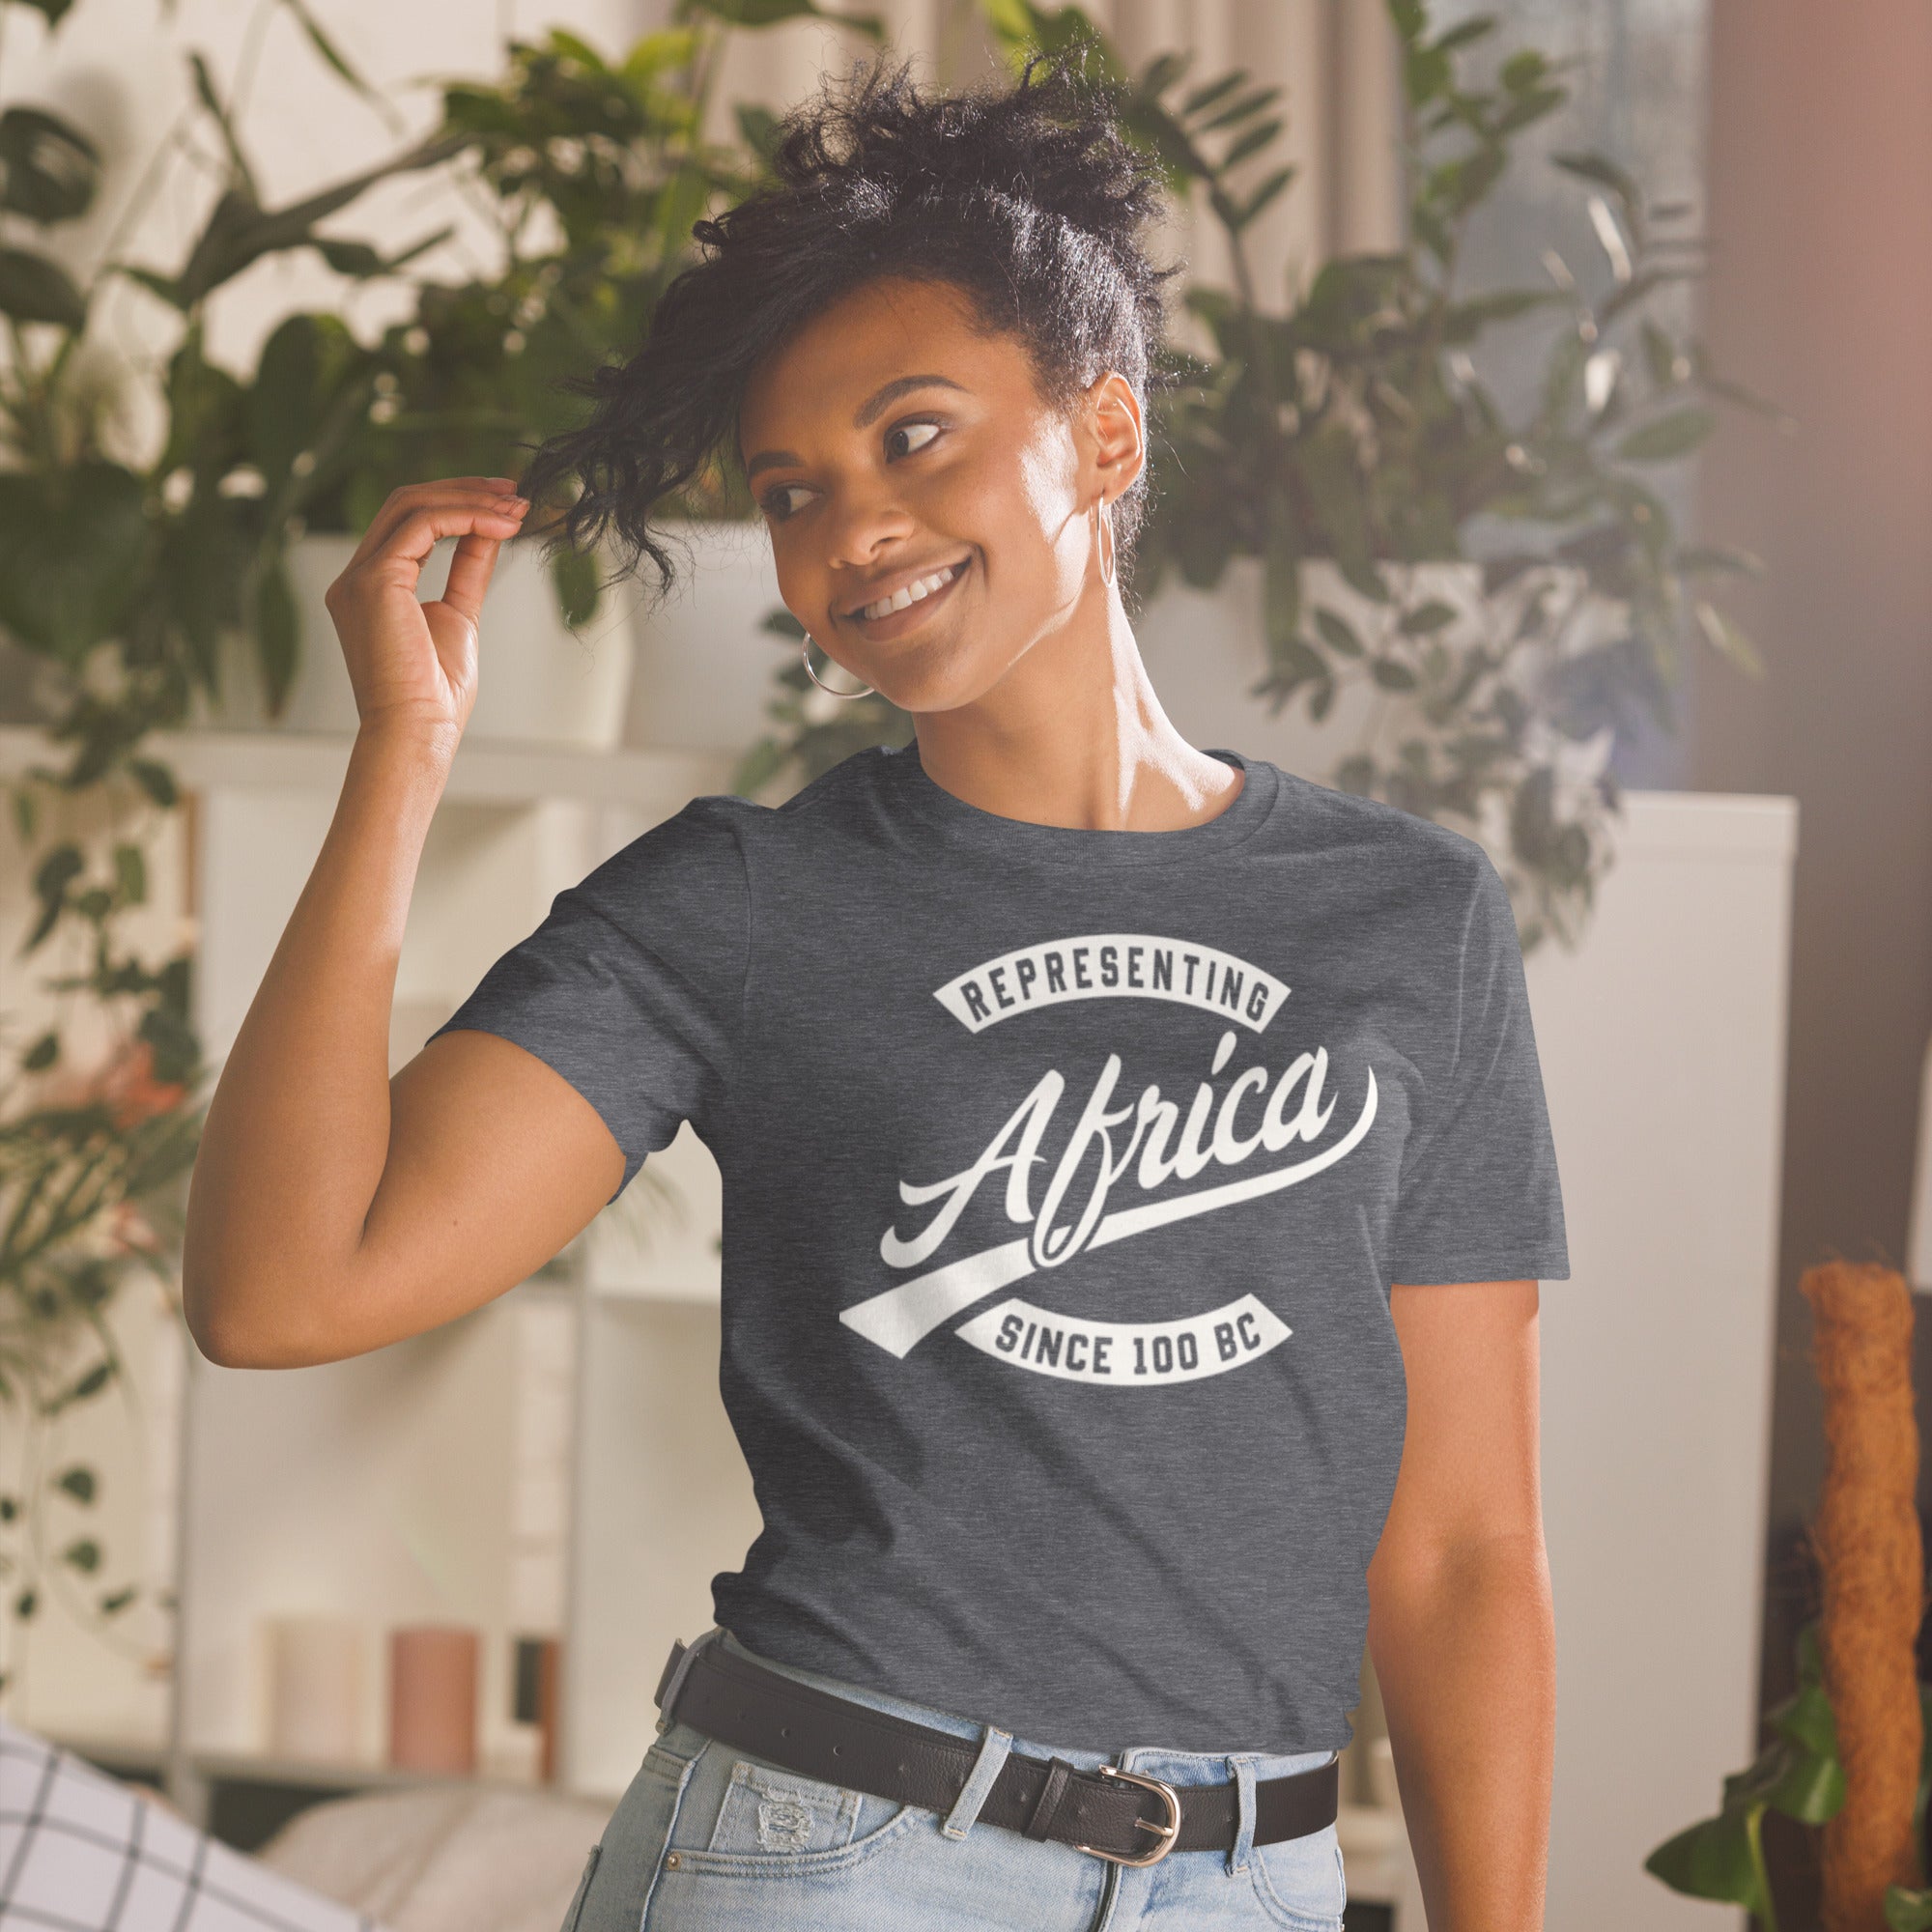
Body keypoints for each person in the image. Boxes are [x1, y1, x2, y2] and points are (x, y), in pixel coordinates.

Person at [181, 50, 1570, 1932]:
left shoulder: (1410, 917)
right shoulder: (741, 907)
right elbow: (282, 1287)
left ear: (1102, 433)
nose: (849, 533)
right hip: (834, 1856)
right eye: (790, 491)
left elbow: (1468, 1546)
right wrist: (404, 759)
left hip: (1256, 1881)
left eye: (912, 436)